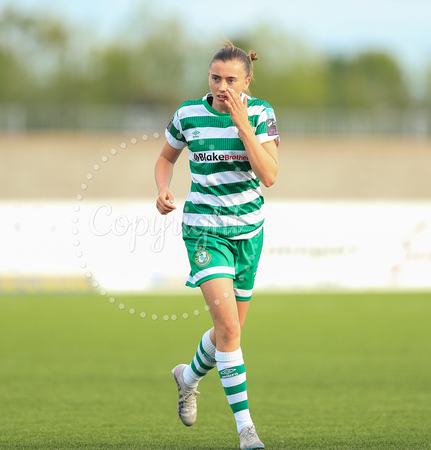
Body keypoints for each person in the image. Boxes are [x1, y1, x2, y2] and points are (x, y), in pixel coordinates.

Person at [154, 39, 280, 450]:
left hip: (249, 233)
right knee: (227, 328)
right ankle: (247, 431)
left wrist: (243, 125)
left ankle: (187, 377)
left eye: (231, 80)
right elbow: (165, 158)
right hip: (204, 231)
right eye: (215, 78)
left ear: (247, 82)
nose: (222, 86)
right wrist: (162, 188)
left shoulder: (261, 114)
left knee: (232, 333)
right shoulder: (189, 114)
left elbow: (270, 175)